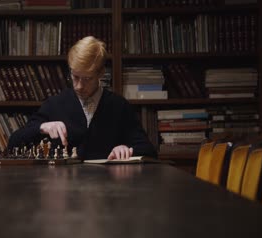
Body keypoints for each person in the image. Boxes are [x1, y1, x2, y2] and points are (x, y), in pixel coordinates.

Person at [8, 36, 156, 160]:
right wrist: (41, 127)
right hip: (64, 190)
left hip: (108, 190)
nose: (79, 86)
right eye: (75, 77)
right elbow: (13, 143)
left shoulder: (119, 106)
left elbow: (148, 150)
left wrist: (127, 150)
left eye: (87, 79)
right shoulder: (54, 104)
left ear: (101, 73)